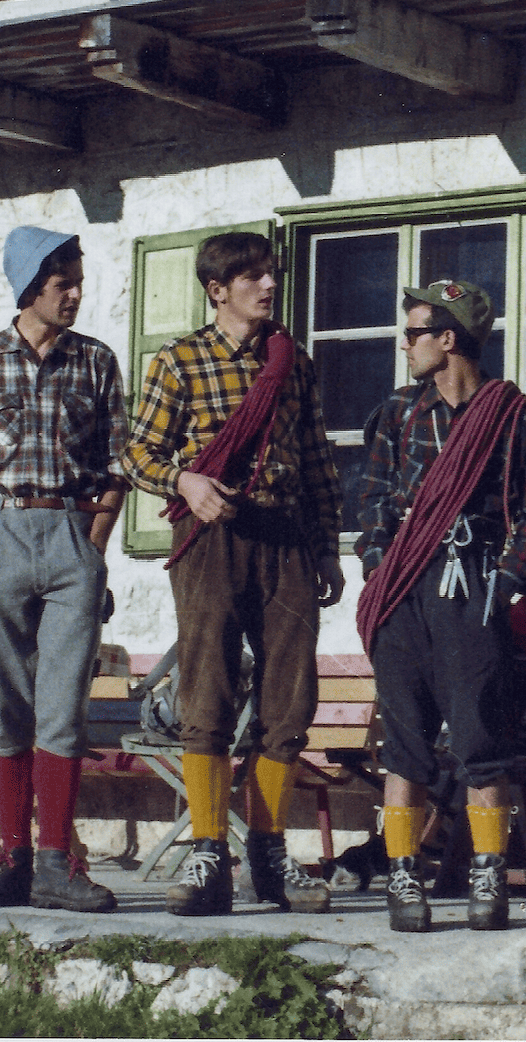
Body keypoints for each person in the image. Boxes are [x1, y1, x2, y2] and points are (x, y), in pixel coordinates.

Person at [122, 231, 344, 917]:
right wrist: (186, 482)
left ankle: (270, 854)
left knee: (289, 697)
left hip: (286, 538)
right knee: (208, 691)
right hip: (212, 538)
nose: (269, 286)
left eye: (271, 274)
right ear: (217, 291)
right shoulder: (180, 361)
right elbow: (136, 453)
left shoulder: (292, 363)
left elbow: (316, 459)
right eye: (252, 277)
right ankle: (209, 852)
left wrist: (327, 547)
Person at [0, 227, 128, 913]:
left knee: (63, 706)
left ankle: (56, 862)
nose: (74, 295)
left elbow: (117, 463)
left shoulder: (96, 361)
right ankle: (12, 856)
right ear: (28, 288)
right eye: (61, 284)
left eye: (78, 283)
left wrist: (93, 546)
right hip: (1, 535)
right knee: (6, 706)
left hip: (71, 535)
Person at [355, 280, 526, 933]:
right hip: (403, 587)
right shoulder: (398, 413)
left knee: (480, 740)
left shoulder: (510, 415)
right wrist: (378, 566)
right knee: (404, 743)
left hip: (472, 585)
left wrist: (503, 582)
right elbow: (373, 502)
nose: (404, 345)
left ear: (448, 339)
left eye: (414, 333)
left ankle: (488, 878)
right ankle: (404, 876)